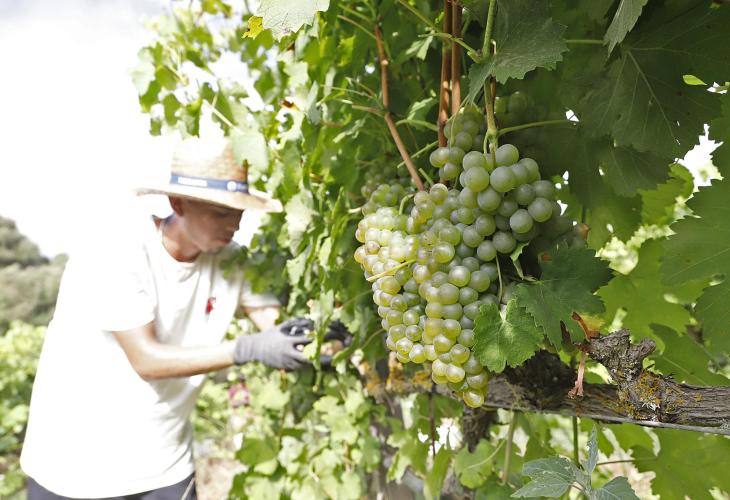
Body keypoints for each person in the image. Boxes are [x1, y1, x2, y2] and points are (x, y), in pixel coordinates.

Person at [20, 138, 316, 499]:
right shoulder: (117, 250)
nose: (235, 225)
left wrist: (313, 342)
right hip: (75, 468)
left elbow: (272, 325)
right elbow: (146, 359)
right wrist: (246, 349)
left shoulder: (233, 260)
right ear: (178, 203)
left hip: (165, 465)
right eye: (222, 213)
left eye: (239, 213)